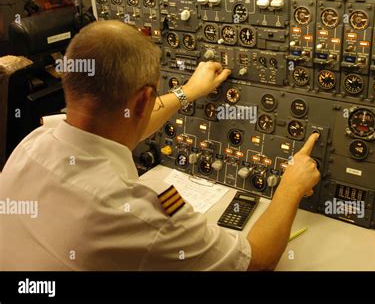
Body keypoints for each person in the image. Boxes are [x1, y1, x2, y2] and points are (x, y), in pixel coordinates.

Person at [0, 20, 320, 271]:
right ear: (143, 100)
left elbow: (122, 126)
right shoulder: (143, 218)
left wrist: (188, 92)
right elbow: (257, 262)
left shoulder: (31, 145)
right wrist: (290, 185)